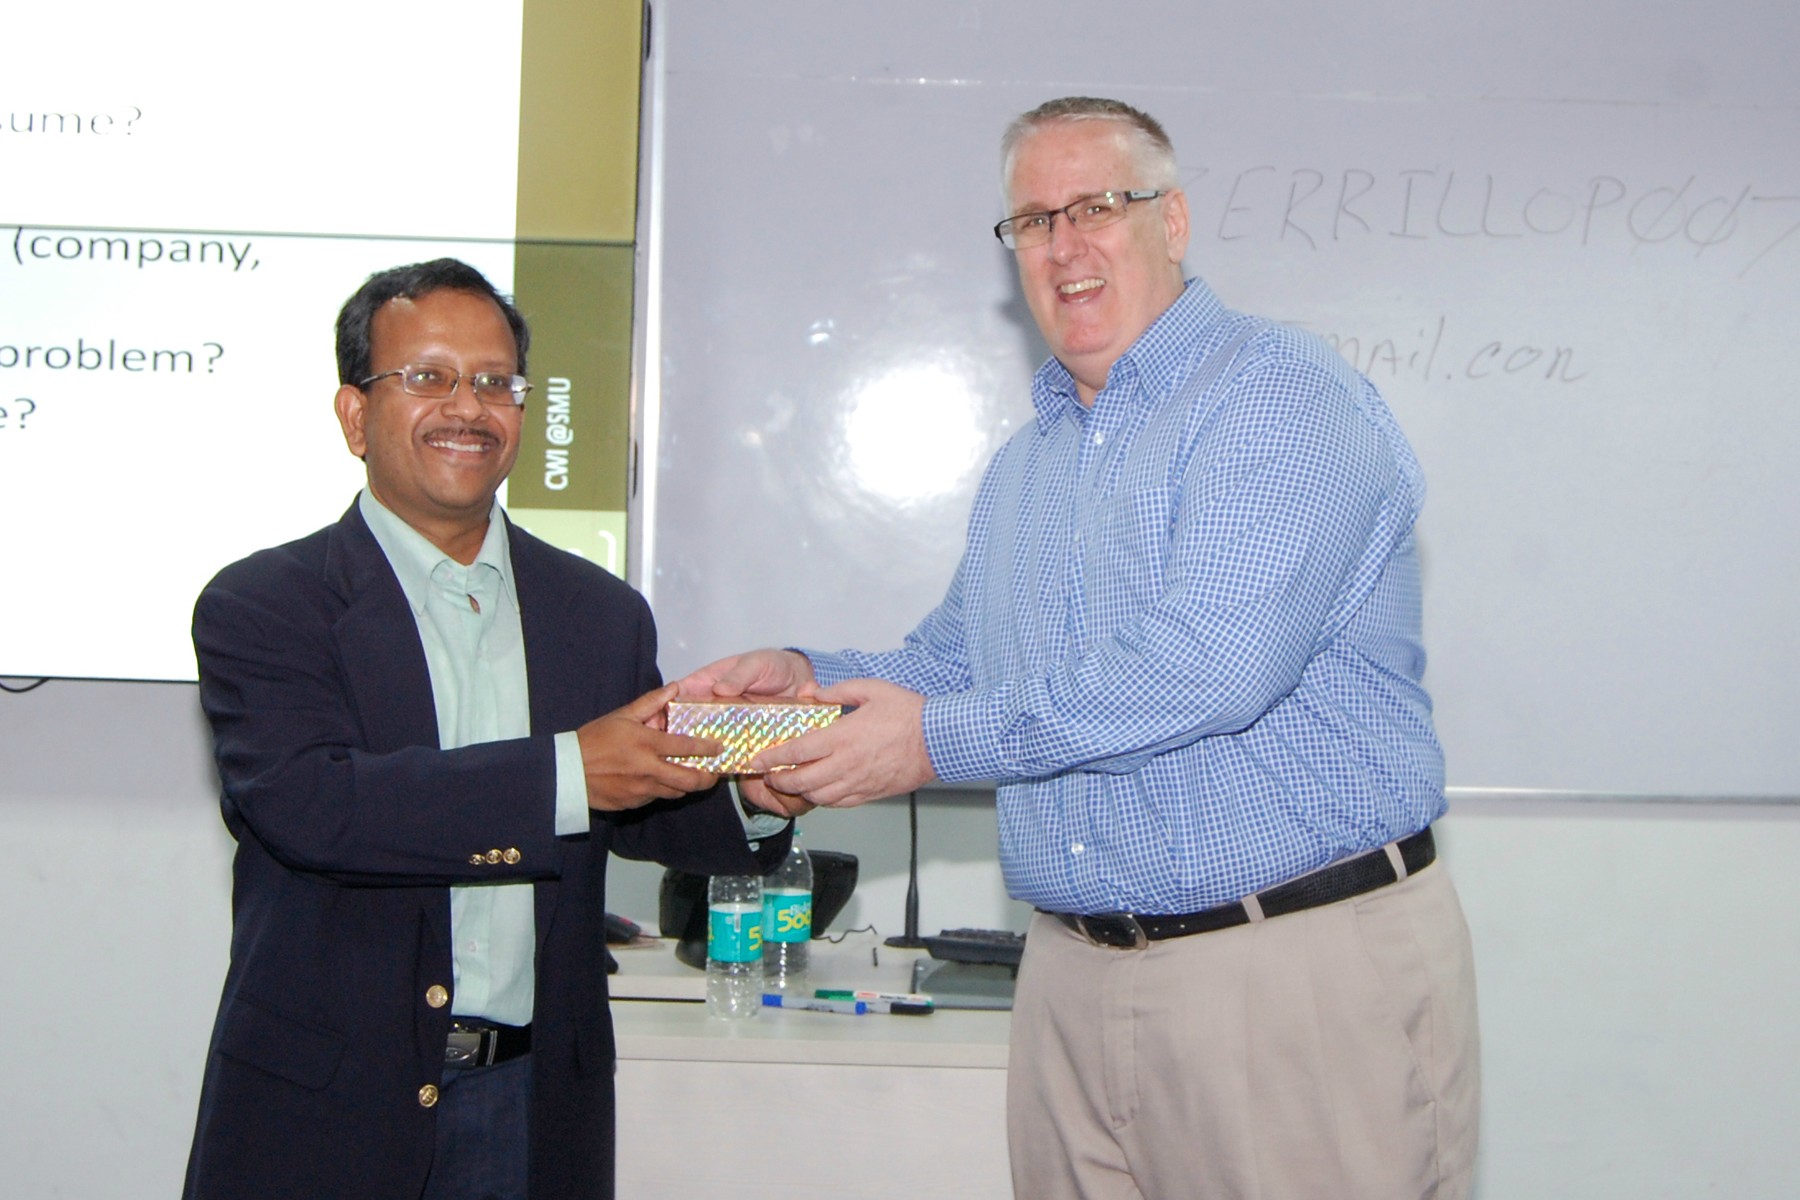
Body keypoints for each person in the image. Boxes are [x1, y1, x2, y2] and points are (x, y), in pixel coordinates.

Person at [683, 98, 1480, 1199]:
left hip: (1288, 968)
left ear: (1173, 220)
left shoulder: (1280, 395)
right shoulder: (1029, 464)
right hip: (1070, 978)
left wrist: (929, 745)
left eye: (1096, 207)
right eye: (1033, 221)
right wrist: (807, 684)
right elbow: (957, 664)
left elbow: (1210, 666)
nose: (1063, 246)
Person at [184, 258, 791, 1200]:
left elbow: (636, 801)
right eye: (428, 377)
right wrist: (570, 773)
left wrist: (752, 787)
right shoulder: (267, 604)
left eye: (496, 383)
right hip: (330, 1105)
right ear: (354, 416)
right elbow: (314, 807)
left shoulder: (598, 612)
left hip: (532, 1100)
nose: (467, 407)